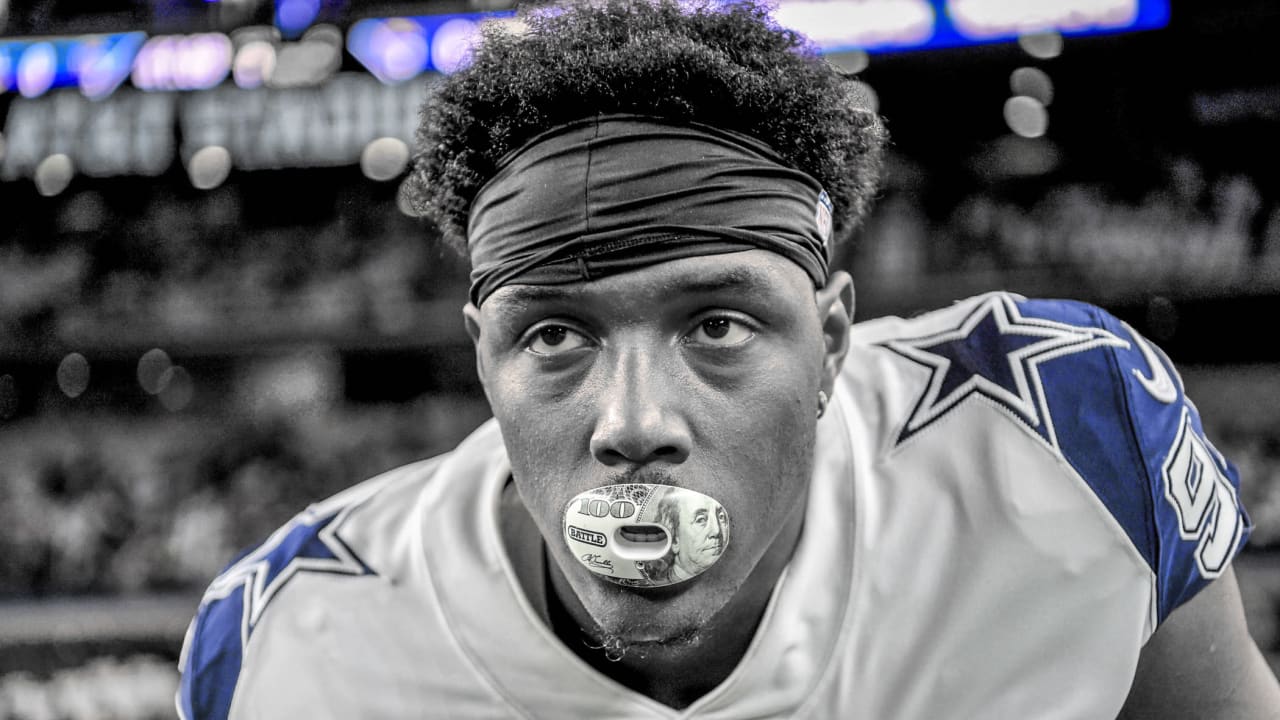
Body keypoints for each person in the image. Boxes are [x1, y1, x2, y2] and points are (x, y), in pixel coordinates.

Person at [176, 1, 1280, 717]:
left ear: (831, 344)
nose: (631, 421)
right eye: (554, 334)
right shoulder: (287, 645)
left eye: (717, 325)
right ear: (483, 361)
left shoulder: (1060, 436)